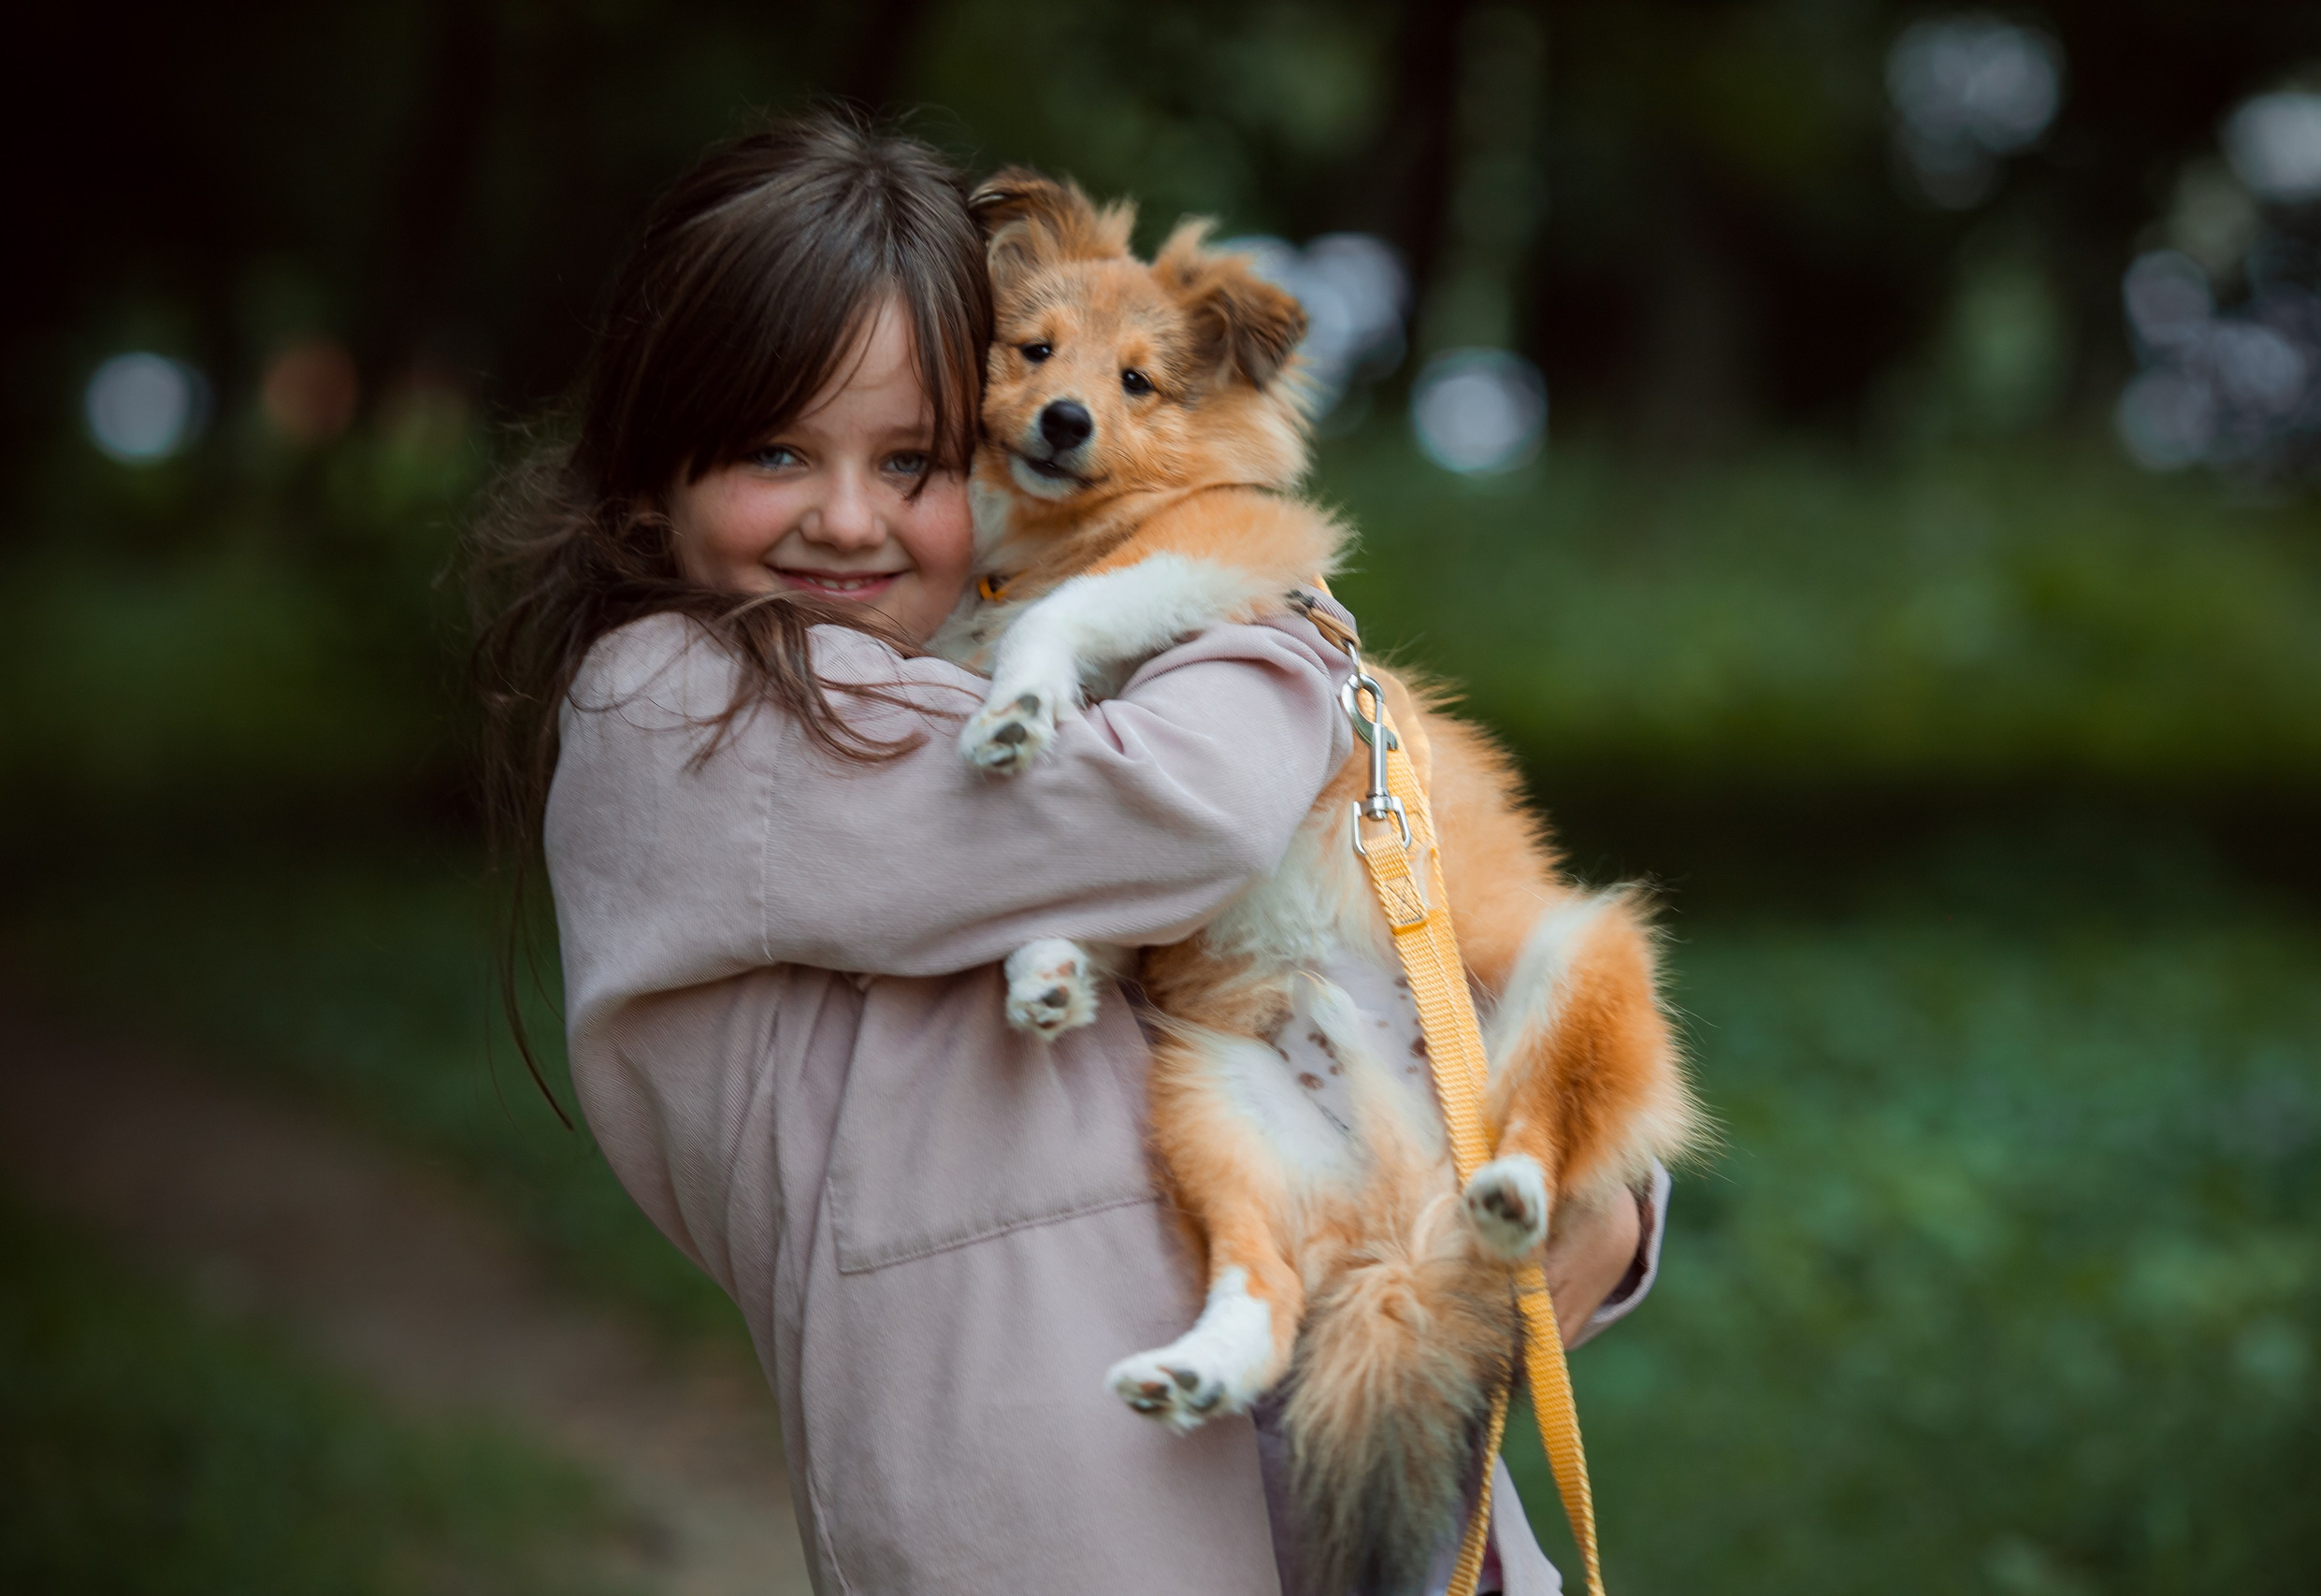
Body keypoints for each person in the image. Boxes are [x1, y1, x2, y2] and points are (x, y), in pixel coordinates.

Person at [470, 115, 1666, 1596]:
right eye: (775, 451)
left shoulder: (965, 697)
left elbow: (1306, 986)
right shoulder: (681, 712)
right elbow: (1195, 806)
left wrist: (1591, 1194)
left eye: (911, 458)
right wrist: (1272, 606)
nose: (847, 519)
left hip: (1356, 1474)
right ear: (653, 479)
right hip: (1066, 1533)